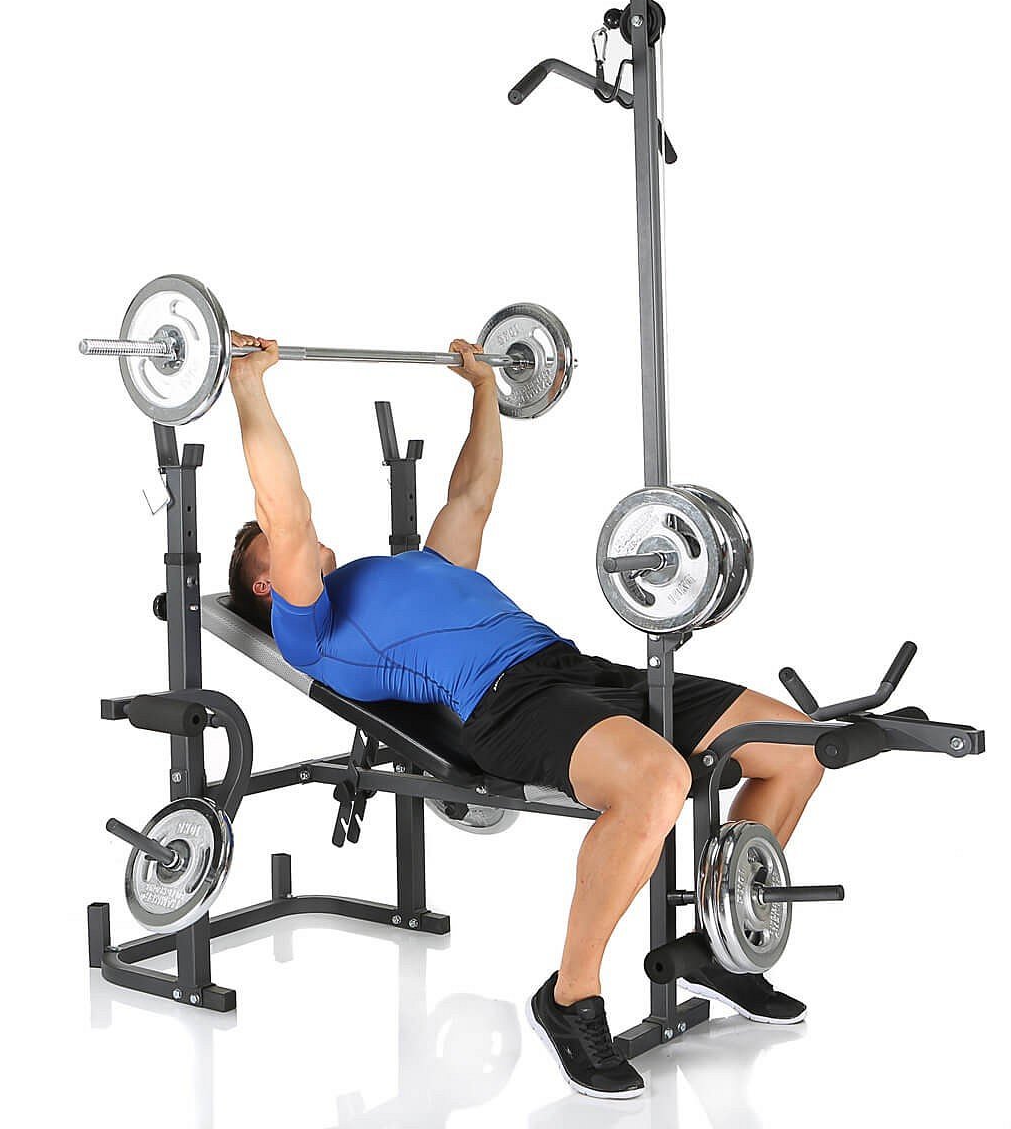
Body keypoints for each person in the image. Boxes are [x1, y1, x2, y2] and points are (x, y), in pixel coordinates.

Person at [227, 331, 824, 1101]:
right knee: (658, 784)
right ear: (269, 586)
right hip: (507, 705)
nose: (297, 543)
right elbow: (288, 514)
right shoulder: (308, 627)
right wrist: (250, 387)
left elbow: (472, 496)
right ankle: (571, 997)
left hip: (578, 670)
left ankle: (716, 946)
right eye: (273, 551)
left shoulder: (414, 565)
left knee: (796, 748)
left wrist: (484, 388)